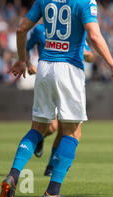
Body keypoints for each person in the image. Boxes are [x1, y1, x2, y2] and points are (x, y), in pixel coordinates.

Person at [0, 0, 113, 197]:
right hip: (68, 70)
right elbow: (94, 36)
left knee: (38, 128)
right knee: (73, 132)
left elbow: (22, 28)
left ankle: (12, 177)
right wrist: (112, 65)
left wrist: (22, 60)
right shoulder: (85, 0)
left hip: (44, 68)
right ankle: (52, 192)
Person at [26, 22, 95, 177]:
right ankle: (39, 137)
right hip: (49, 78)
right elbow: (27, 45)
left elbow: (90, 56)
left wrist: (84, 53)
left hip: (67, 80)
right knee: (51, 128)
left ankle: (51, 165)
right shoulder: (39, 29)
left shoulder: (73, 29)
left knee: (65, 129)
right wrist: (28, 63)